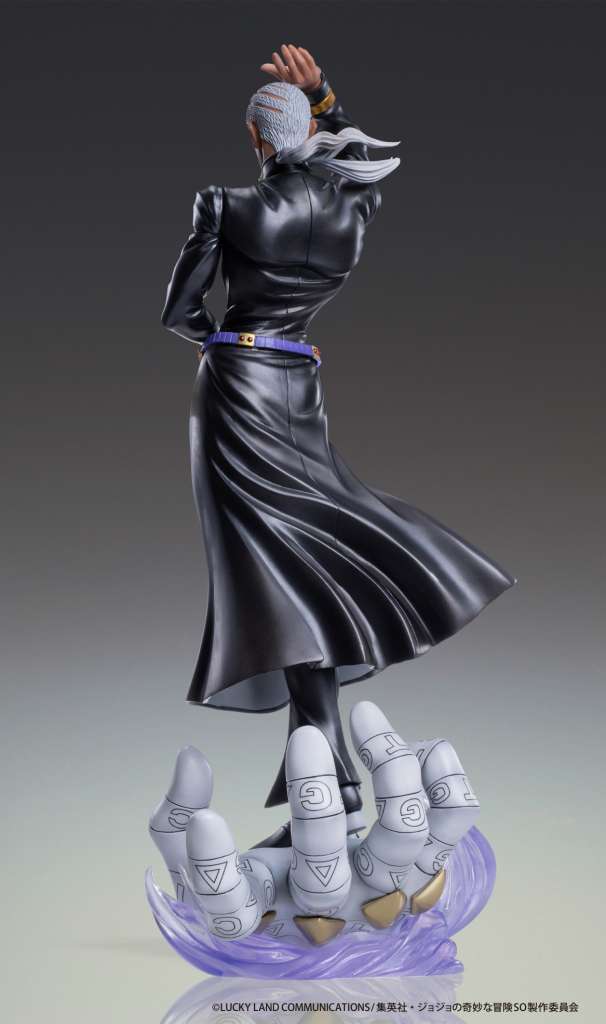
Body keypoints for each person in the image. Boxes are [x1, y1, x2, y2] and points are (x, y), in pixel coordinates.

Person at [161, 44, 514, 840]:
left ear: (256, 138)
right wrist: (324, 95)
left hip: (237, 392)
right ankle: (329, 783)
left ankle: (330, 785)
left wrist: (221, 341)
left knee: (276, 580)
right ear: (307, 135)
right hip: (301, 386)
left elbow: (179, 312)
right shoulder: (352, 210)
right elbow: (355, 168)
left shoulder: (226, 204)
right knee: (301, 572)